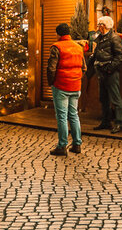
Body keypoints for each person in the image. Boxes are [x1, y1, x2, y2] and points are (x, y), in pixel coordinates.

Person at [46, 23, 86, 156]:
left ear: (58, 34)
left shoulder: (56, 47)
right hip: (75, 86)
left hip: (61, 86)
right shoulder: (78, 47)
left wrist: (52, 83)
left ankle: (62, 146)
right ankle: (77, 144)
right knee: (74, 115)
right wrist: (76, 78)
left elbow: (51, 68)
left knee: (62, 116)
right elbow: (84, 67)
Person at [90, 15, 122, 133]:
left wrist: (110, 68)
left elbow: (120, 55)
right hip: (101, 71)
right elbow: (96, 53)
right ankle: (106, 122)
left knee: (115, 98)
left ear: (104, 26)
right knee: (103, 97)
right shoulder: (100, 38)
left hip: (110, 72)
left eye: (99, 24)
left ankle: (119, 123)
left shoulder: (114, 38)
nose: (98, 27)